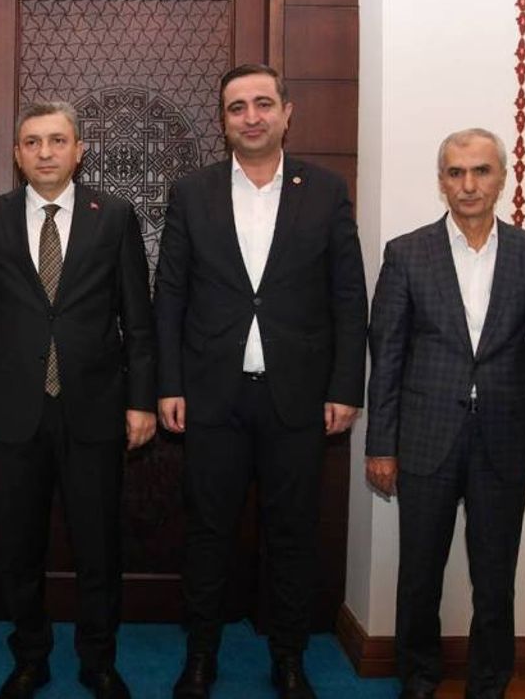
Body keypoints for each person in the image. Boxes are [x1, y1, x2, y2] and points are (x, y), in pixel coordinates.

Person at [154, 63, 368, 699]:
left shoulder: (325, 191)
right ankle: (200, 656)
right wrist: (169, 383)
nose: (251, 116)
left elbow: (348, 295)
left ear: (286, 112)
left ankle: (290, 659)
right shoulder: (192, 192)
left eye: (263, 104)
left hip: (298, 398)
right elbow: (170, 295)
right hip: (211, 396)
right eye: (237, 107)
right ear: (223, 121)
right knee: (207, 534)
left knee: (293, 535)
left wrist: (345, 387)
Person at [0, 100, 156, 699]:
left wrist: (141, 400)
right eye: (33, 142)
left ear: (79, 150)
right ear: (17, 155)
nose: (45, 152)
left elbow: (137, 319)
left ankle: (98, 660)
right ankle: (30, 656)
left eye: (57, 141)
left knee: (99, 547)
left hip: (94, 408)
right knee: (18, 547)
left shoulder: (113, 216)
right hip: (12, 411)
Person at [365, 128, 525, 699]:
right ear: (442, 182)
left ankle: (489, 685)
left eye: (480, 171)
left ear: (501, 178)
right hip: (425, 439)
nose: (468, 184)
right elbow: (387, 356)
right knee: (419, 576)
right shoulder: (406, 253)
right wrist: (381, 445)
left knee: (495, 581)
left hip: (505, 444)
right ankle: (418, 678)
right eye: (456, 173)